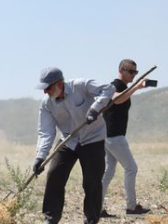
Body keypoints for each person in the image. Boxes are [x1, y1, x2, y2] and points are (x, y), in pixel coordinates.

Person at [33, 67, 115, 224]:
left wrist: (95, 108)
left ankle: (90, 220)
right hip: (68, 140)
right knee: (54, 175)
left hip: (93, 139)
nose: (45, 92)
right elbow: (46, 132)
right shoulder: (46, 105)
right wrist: (40, 157)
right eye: (44, 89)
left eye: (48, 88)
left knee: (91, 181)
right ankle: (50, 218)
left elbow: (108, 88)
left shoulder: (81, 85)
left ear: (60, 84)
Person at [99, 59, 151, 218]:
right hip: (114, 136)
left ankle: (96, 207)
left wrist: (135, 88)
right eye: (131, 71)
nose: (134, 75)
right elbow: (116, 99)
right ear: (121, 70)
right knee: (131, 168)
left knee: (108, 172)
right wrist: (136, 87)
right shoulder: (114, 86)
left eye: (135, 72)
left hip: (109, 136)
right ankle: (131, 207)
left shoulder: (123, 88)